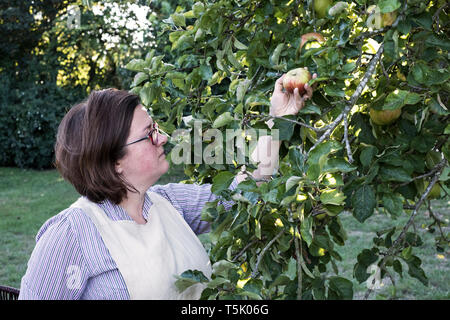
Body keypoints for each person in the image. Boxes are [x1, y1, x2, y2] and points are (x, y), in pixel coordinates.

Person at [18, 74, 315, 300]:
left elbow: (246, 189)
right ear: (113, 161)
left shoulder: (167, 202)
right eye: (148, 134)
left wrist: (279, 118)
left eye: (155, 128)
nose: (162, 137)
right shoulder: (71, 235)